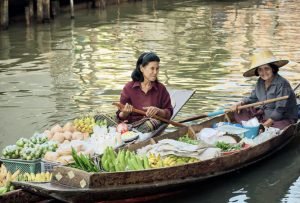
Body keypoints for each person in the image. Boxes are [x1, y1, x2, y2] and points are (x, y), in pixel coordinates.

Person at [230, 49, 298, 130]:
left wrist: (267, 124)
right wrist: (240, 103)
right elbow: (253, 98)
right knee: (239, 111)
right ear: (257, 72)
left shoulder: (282, 83)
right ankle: (257, 125)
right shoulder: (260, 81)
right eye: (260, 69)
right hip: (265, 114)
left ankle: (259, 126)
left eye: (266, 68)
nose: (264, 72)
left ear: (272, 68)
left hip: (282, 118)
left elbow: (280, 109)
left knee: (278, 128)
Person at [116, 52, 173, 133]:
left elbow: (169, 112)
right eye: (152, 68)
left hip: (151, 126)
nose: (155, 72)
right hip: (131, 126)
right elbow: (120, 116)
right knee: (99, 117)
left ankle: (135, 132)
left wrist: (158, 111)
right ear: (142, 68)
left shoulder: (161, 89)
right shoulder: (128, 88)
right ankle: (131, 132)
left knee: (151, 123)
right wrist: (125, 113)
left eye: (157, 68)